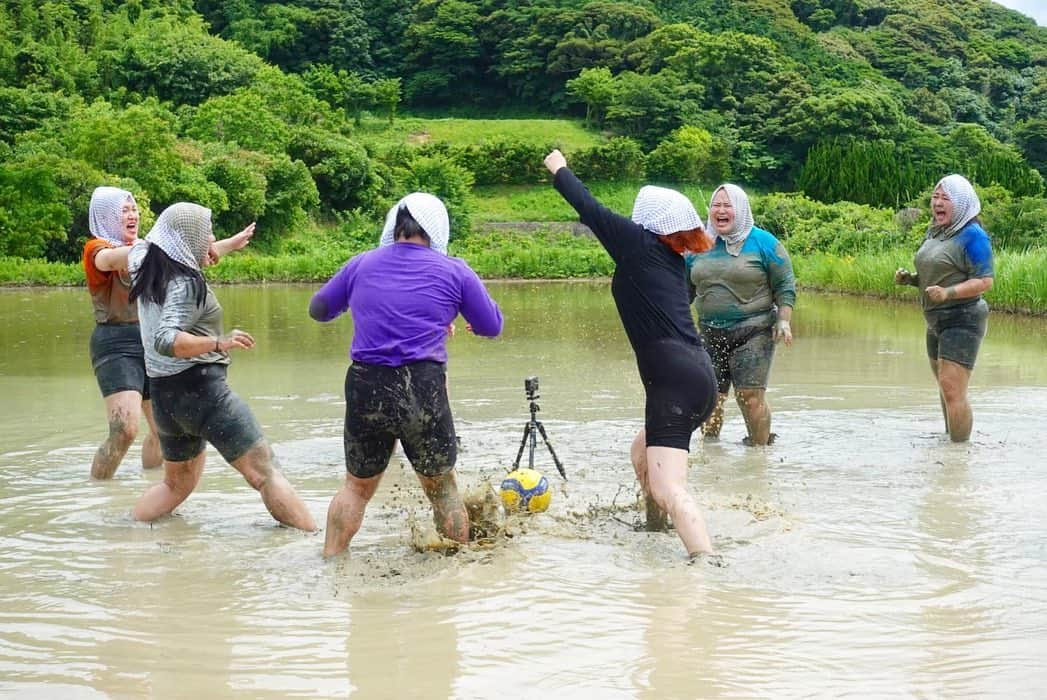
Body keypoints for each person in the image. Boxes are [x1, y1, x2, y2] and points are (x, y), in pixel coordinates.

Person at [543, 149, 718, 559]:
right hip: (696, 377)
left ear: (647, 222)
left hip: (673, 382)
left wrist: (559, 168)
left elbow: (589, 208)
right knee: (641, 453)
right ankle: (655, 528)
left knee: (670, 487)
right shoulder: (671, 259)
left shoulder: (639, 244)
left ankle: (707, 563)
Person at [309, 192, 503, 557]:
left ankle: (331, 562)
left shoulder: (361, 264)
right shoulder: (454, 270)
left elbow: (319, 309)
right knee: (443, 490)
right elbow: (492, 325)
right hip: (422, 386)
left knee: (355, 488)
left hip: (366, 384)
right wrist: (448, 316)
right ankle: (454, 574)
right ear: (437, 231)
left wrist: (363, 306)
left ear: (393, 227)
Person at [127, 202, 316, 531]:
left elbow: (172, 246)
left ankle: (122, 537)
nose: (211, 239)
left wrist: (225, 245)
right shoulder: (186, 285)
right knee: (265, 472)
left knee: (176, 485)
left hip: (165, 399)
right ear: (188, 242)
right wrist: (218, 342)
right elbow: (166, 338)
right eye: (207, 235)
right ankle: (317, 544)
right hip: (203, 392)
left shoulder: (143, 264)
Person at [82, 187, 254, 479]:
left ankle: (152, 488)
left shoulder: (148, 248)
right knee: (125, 429)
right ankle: (98, 490)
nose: (132, 215)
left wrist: (225, 245)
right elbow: (116, 261)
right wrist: (199, 242)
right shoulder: (96, 249)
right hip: (115, 343)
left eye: (134, 209)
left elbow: (183, 258)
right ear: (107, 216)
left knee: (162, 431)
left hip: (153, 339)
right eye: (124, 210)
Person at [687, 184, 796, 447]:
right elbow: (683, 291)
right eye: (716, 205)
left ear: (742, 210)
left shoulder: (765, 243)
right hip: (710, 331)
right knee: (709, 398)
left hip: (754, 330)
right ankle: (710, 454)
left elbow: (785, 285)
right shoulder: (696, 245)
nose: (721, 211)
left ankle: (759, 456)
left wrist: (784, 320)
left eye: (728, 206)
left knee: (749, 396)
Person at [894, 174, 993, 442]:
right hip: (935, 320)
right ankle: (950, 441)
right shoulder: (936, 231)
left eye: (945, 198)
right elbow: (936, 275)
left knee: (952, 389)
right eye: (935, 197)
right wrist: (911, 280)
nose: (937, 203)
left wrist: (948, 293)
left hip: (963, 318)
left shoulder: (973, 237)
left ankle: (959, 455)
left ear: (961, 204)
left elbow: (985, 281)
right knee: (944, 386)